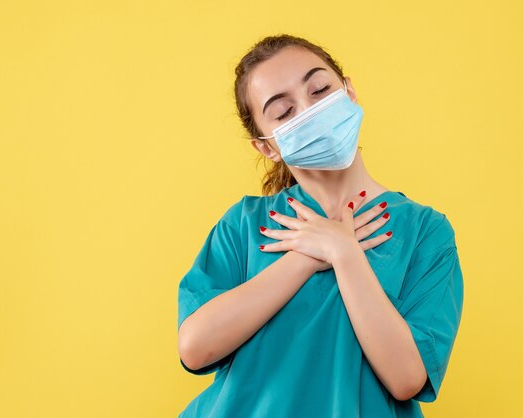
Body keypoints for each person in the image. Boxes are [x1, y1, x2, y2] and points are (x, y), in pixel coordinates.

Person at [177, 34, 464, 418]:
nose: (310, 110)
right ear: (266, 146)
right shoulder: (245, 225)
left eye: (319, 89)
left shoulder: (425, 232)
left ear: (349, 91)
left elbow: (407, 377)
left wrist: (345, 254)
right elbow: (195, 348)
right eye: (283, 113)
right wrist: (305, 258)